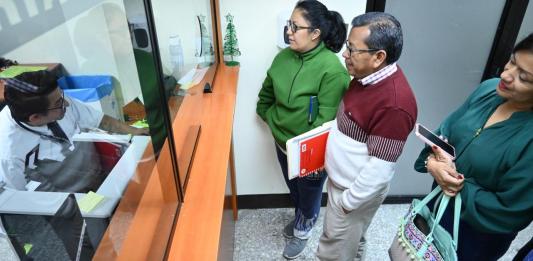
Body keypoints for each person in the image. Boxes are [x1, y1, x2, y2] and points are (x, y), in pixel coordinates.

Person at [414, 33, 533, 260]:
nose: (507, 75)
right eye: (512, 61)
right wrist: (432, 164)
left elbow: (512, 209)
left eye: (524, 77)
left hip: (477, 235)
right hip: (437, 206)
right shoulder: (488, 90)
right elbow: (444, 134)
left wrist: (458, 186)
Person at [316, 12, 417, 261]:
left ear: (378, 57)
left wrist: (348, 203)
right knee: (352, 240)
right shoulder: (365, 77)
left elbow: (380, 169)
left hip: (353, 192)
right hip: (344, 183)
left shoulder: (394, 104)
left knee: (334, 250)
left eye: (352, 49)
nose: (345, 54)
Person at [256, 0, 350, 259]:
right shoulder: (283, 57)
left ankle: (303, 229)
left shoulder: (332, 70)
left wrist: (311, 155)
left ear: (315, 33)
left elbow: (325, 125)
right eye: (289, 24)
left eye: (295, 27)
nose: (289, 31)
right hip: (281, 145)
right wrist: (270, 118)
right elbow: (265, 95)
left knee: (308, 195)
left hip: (309, 153)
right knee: (294, 189)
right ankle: (302, 217)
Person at [0, 70, 148, 192]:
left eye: (61, 96)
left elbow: (101, 120)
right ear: (35, 118)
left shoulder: (52, 100)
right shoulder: (8, 153)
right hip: (70, 200)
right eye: (59, 103)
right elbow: (23, 200)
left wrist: (136, 131)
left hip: (98, 176)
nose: (66, 103)